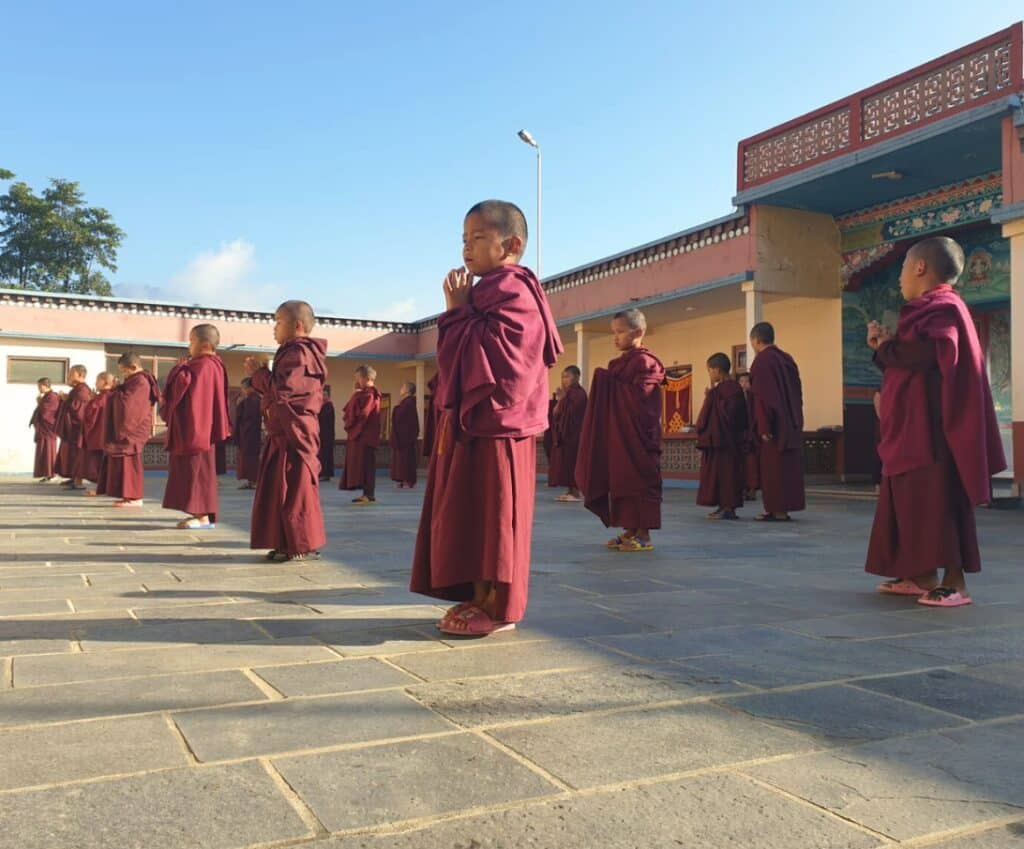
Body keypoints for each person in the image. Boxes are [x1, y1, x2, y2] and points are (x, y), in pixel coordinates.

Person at [411, 199, 562, 636]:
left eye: (478, 238)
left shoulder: (516, 292)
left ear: (511, 244)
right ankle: (476, 595)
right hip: (471, 425)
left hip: (499, 426)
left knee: (496, 516)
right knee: (470, 513)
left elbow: (509, 364)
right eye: (463, 240)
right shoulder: (482, 292)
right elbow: (460, 353)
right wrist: (460, 310)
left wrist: (458, 311)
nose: (466, 249)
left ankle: (498, 607)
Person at [866, 236, 1005, 607]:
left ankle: (955, 581)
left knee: (939, 502)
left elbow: (931, 353)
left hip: (937, 432)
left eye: (902, 269)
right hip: (912, 429)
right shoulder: (926, 311)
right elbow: (912, 364)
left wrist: (886, 347)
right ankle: (921, 575)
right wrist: (884, 348)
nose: (899, 279)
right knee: (912, 503)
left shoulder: (943, 307)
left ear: (920, 268)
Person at [576, 309, 665, 552]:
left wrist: (607, 383)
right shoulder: (619, 364)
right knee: (621, 480)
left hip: (639, 437)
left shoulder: (646, 363)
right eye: (613, 333)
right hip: (620, 436)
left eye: (620, 332)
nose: (615, 337)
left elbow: (643, 403)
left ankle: (644, 534)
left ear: (638, 332)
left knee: (639, 481)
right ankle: (629, 529)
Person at [246, 300, 327, 562]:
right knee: (281, 489)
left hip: (295, 432)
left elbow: (285, 394)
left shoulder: (300, 353)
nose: (274, 328)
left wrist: (259, 374)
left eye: (278, 322)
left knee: (294, 489)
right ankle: (285, 542)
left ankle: (300, 544)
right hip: (284, 432)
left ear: (298, 325)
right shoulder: (290, 351)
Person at [160, 324, 232, 529]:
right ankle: (200, 515)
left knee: (198, 472)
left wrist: (178, 371)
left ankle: (202, 516)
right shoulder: (212, 365)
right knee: (196, 471)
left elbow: (192, 399)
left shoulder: (203, 366)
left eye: (192, 341)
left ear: (205, 344)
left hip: (195, 429)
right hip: (199, 429)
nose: (189, 346)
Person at [749, 322, 805, 521]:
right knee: (787, 469)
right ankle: (783, 510)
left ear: (755, 340)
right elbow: (798, 392)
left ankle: (776, 510)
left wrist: (764, 426)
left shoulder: (762, 361)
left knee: (774, 470)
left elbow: (763, 397)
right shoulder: (787, 359)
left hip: (773, 425)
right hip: (790, 421)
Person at [695, 353, 748, 520]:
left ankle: (729, 508)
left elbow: (732, 415)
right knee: (718, 475)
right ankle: (722, 506)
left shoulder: (731, 389)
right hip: (718, 441)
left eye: (710, 370)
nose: (710, 374)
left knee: (728, 475)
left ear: (717, 370)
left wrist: (711, 398)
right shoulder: (721, 391)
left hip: (728, 441)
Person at [104, 353, 161, 507]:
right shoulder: (133, 380)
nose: (123, 374)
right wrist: (117, 390)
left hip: (135, 427)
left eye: (124, 370)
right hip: (130, 427)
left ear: (134, 367)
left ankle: (135, 497)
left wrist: (115, 393)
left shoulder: (141, 381)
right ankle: (127, 496)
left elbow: (130, 406)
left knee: (131, 462)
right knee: (124, 462)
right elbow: (123, 395)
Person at [339, 365, 382, 504]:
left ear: (367, 378)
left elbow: (362, 414)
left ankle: (369, 495)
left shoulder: (370, 394)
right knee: (364, 465)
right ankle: (366, 494)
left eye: (358, 378)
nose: (356, 382)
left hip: (365, 437)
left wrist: (356, 395)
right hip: (363, 436)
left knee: (367, 465)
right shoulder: (365, 393)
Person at [548, 366, 588, 502]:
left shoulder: (579, 394)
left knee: (573, 462)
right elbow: (556, 413)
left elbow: (573, 413)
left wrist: (562, 400)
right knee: (565, 463)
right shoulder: (568, 394)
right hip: (565, 436)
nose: (564, 380)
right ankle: (570, 491)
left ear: (577, 377)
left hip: (575, 435)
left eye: (568, 377)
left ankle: (576, 492)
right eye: (563, 377)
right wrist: (561, 400)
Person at [79, 372, 116, 495]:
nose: (95, 383)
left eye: (97, 380)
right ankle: (104, 488)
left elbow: (90, 413)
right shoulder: (111, 395)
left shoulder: (102, 397)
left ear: (105, 382)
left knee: (99, 465)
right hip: (107, 435)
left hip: (100, 435)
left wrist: (91, 401)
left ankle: (101, 488)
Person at [56, 365, 92, 490]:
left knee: (77, 454)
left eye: (71, 373)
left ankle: (78, 481)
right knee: (70, 454)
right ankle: (73, 478)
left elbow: (78, 411)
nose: (69, 376)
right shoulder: (76, 389)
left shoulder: (82, 390)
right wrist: (66, 399)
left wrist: (65, 400)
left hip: (77, 429)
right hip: (71, 429)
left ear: (80, 375)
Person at [29, 378, 62, 482]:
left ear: (45, 385)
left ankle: (52, 474)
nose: (38, 388)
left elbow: (47, 412)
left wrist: (39, 403)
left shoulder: (53, 396)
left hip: (49, 430)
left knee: (48, 451)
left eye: (40, 386)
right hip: (42, 429)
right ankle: (46, 474)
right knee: (42, 452)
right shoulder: (46, 396)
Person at [390, 381, 420, 488]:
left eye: (402, 387)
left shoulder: (409, 403)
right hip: (402, 437)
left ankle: (408, 481)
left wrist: (396, 408)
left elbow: (401, 417)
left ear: (407, 390)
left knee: (406, 460)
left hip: (406, 438)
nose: (401, 388)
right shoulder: (406, 402)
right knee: (401, 461)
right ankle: (402, 480)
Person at [234, 377, 262, 489]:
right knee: (245, 458)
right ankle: (250, 481)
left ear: (250, 388)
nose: (243, 390)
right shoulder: (249, 399)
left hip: (251, 433)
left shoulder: (254, 400)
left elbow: (247, 417)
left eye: (244, 388)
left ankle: (255, 481)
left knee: (251, 458)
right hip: (246, 433)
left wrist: (240, 404)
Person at [736, 371, 759, 500]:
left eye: (746, 381)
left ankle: (752, 489)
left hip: (752, 435)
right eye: (741, 382)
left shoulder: (754, 397)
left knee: (752, 464)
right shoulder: (736, 397)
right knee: (741, 465)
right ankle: (743, 489)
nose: (744, 384)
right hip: (741, 435)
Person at [318, 385, 336, 482]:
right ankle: (323, 473)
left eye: (325, 395)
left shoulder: (329, 406)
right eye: (322, 395)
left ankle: (326, 474)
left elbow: (323, 418)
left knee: (326, 455)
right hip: (321, 435)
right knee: (322, 455)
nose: (323, 397)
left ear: (328, 396)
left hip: (327, 435)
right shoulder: (323, 405)